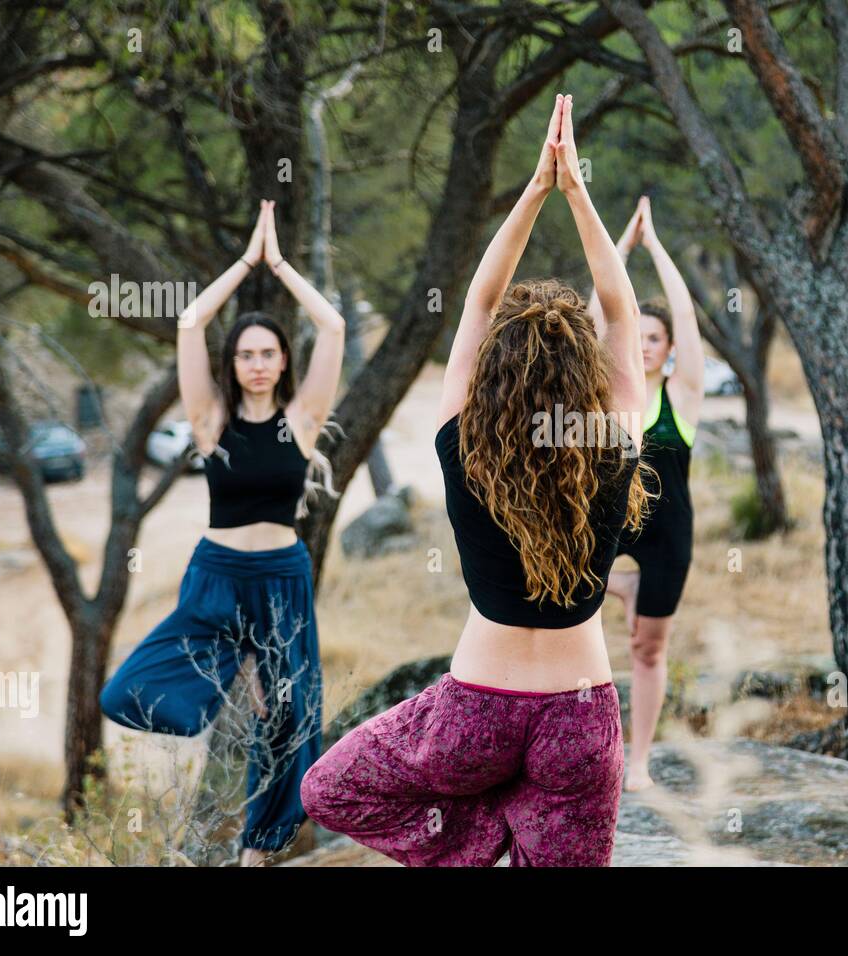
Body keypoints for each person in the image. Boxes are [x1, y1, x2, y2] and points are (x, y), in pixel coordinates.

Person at [299, 93, 653, 866]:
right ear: (587, 374)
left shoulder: (465, 440)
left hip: (472, 718)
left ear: (494, 373)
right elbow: (623, 315)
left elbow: (479, 300)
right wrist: (578, 194)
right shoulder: (612, 441)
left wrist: (535, 190)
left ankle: (484, 838)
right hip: (579, 720)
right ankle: (511, 830)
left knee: (329, 787)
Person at [100, 200, 345, 867]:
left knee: (289, 716)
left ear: (282, 361)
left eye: (268, 354)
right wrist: (245, 261)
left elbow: (333, 322)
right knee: (126, 690)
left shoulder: (301, 420)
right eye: (245, 355)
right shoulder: (210, 423)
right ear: (232, 364)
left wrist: (281, 265)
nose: (258, 364)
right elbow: (189, 320)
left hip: (284, 580)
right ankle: (218, 692)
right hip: (217, 579)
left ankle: (256, 849)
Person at [588, 195, 704, 792]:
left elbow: (687, 320)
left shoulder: (682, 396)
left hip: (667, 535)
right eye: (641, 335)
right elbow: (593, 319)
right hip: (612, 525)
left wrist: (655, 247)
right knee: (570, 619)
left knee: (647, 648)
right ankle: (590, 753)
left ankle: (638, 763)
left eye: (657, 337)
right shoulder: (610, 394)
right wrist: (620, 250)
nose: (649, 343)